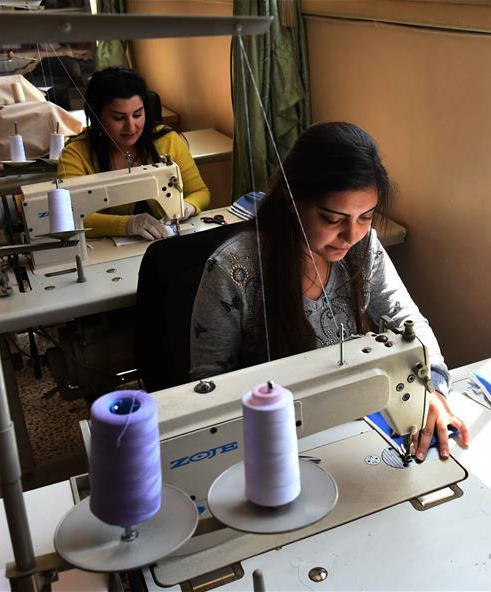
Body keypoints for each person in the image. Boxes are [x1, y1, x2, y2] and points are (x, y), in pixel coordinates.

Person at [190, 122, 469, 461]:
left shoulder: (364, 247)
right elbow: (208, 388)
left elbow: (406, 319)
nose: (352, 235)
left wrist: (433, 390)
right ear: (293, 201)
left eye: (366, 216)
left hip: (348, 422)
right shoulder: (233, 271)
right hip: (268, 442)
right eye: (333, 219)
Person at [58, 67, 210, 240]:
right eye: (118, 118)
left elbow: (200, 192)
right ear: (97, 116)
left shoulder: (167, 141)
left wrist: (189, 205)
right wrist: (127, 224)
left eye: (137, 114)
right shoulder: (75, 155)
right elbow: (70, 216)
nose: (131, 126)